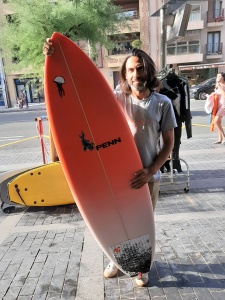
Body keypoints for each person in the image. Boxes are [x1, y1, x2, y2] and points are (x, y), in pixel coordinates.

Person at [43, 41, 177, 286]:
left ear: (148, 69)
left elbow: (169, 144)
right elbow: (85, 93)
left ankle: (140, 269)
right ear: (125, 75)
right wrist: (58, 58)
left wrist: (150, 172)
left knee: (140, 223)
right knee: (112, 218)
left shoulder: (162, 103)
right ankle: (116, 260)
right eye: (131, 71)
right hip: (115, 174)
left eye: (140, 69)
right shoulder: (117, 98)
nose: (136, 74)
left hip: (147, 177)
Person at [205, 72, 225, 144]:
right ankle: (220, 139)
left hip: (223, 105)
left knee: (216, 121)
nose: (218, 78)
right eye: (217, 76)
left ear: (223, 77)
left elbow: (224, 94)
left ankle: (224, 137)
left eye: (220, 76)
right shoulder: (218, 85)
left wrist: (218, 86)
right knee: (218, 122)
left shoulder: (222, 85)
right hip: (218, 105)